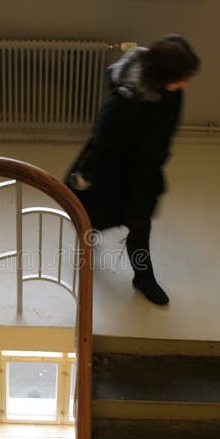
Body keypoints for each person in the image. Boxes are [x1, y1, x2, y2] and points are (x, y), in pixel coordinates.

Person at [65, 35, 201, 306]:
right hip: (111, 176)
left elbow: (165, 131)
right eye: (181, 77)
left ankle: (143, 277)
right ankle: (87, 241)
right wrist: (96, 180)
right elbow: (103, 147)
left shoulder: (171, 92)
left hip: (143, 175)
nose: (185, 83)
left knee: (140, 225)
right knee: (93, 217)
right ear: (160, 76)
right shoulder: (121, 105)